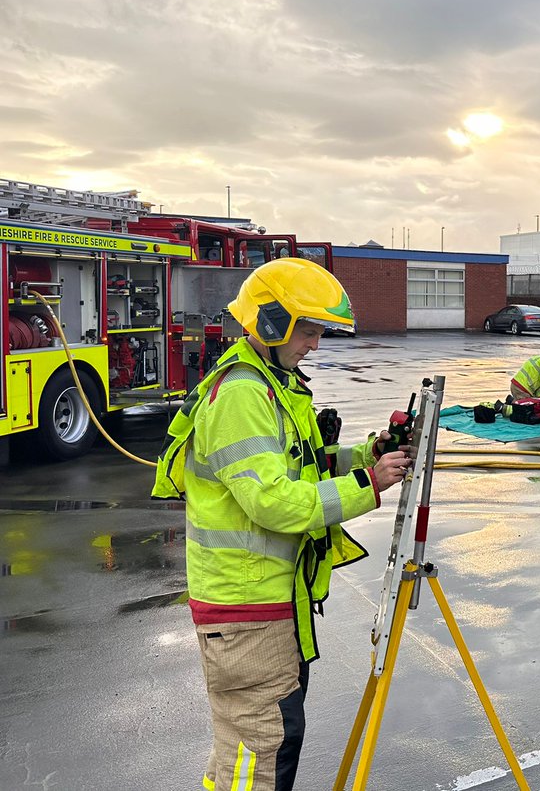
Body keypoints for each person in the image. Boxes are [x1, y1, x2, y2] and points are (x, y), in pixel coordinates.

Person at [152, 258, 413, 791]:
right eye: (309, 329)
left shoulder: (273, 384)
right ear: (271, 322)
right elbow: (272, 501)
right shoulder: (245, 394)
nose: (315, 344)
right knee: (261, 748)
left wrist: (370, 454)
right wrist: (369, 484)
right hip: (247, 608)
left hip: (264, 604)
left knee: (250, 747)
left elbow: (301, 465)